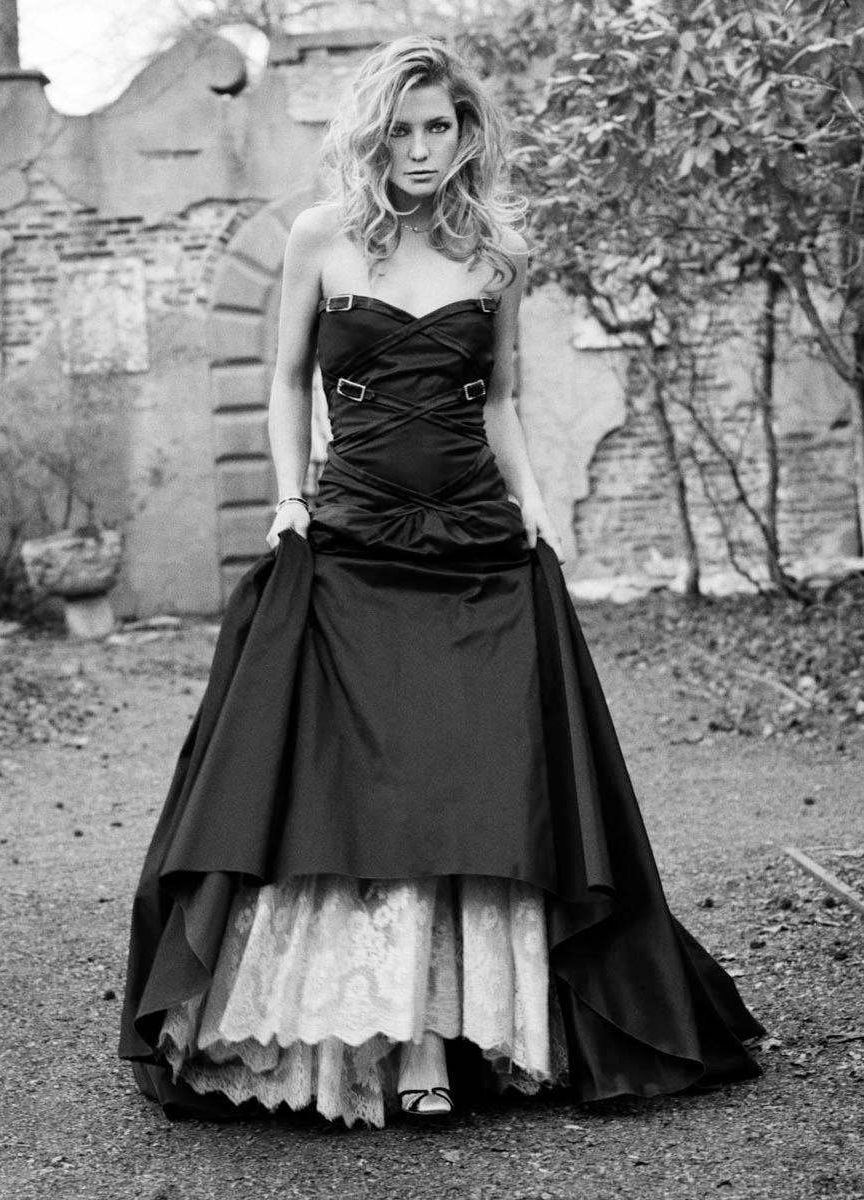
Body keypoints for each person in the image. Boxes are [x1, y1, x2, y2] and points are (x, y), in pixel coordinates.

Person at [120, 34, 762, 1128]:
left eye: (441, 127)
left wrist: (536, 504)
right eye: (403, 130)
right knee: (354, 791)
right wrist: (289, 498)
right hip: (353, 539)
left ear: (467, 133)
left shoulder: (497, 252)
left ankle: (472, 1028)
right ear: (373, 136)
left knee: (479, 786)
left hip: (474, 542)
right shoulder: (320, 238)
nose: (422, 149)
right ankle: (392, 1035)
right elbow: (284, 383)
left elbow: (500, 397)